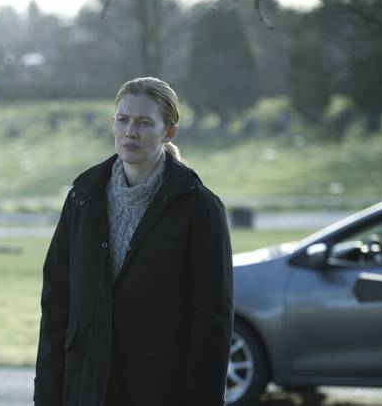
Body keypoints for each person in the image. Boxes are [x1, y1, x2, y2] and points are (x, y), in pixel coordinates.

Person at [34, 77, 233, 405]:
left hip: (161, 389)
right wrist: (46, 396)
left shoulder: (199, 208)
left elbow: (213, 319)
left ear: (169, 132)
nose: (130, 132)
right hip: (85, 388)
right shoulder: (83, 199)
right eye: (122, 120)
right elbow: (57, 304)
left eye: (144, 122)